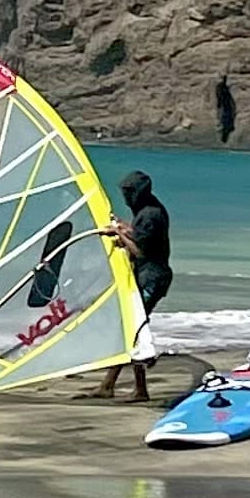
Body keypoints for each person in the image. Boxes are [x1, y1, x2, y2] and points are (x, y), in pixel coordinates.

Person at [95, 168, 173, 403]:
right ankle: (110, 385)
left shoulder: (150, 215)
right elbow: (140, 235)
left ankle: (136, 389)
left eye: (128, 193)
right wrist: (122, 226)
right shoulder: (147, 210)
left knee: (133, 328)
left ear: (138, 193)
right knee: (130, 329)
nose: (126, 198)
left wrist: (118, 235)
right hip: (147, 275)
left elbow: (140, 251)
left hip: (152, 278)